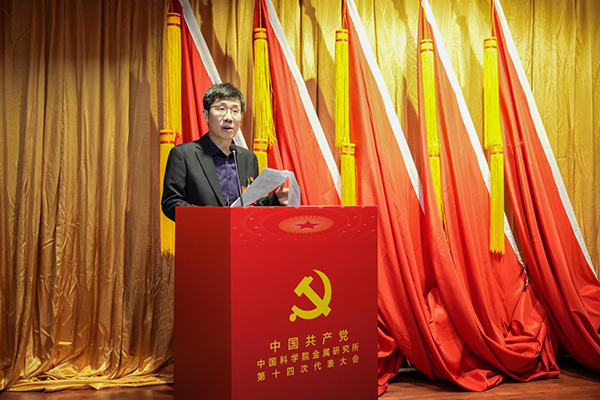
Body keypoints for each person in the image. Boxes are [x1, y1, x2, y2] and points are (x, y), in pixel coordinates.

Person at [161, 83, 288, 221]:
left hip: (240, 234)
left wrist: (275, 199)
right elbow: (171, 203)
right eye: (221, 109)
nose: (229, 117)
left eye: (235, 111)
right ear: (206, 115)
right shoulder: (183, 155)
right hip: (203, 233)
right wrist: (215, 218)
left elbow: (252, 204)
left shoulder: (248, 158)